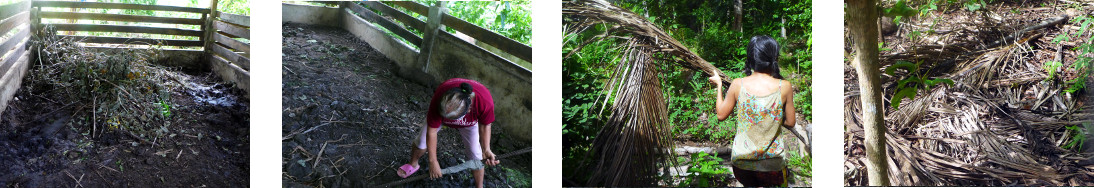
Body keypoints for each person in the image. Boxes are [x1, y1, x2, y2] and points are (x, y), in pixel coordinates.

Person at [708, 35, 797, 187]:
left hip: (742, 165)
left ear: (751, 58)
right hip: (772, 165)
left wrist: (719, 85)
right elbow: (790, 122)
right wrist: (770, 116)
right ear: (774, 57)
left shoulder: (738, 84)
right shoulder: (784, 86)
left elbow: (721, 115)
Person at [397, 78, 500, 188]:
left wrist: (486, 149)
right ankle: (413, 164)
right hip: (441, 116)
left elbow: (485, 125)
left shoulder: (484, 101)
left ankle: (479, 186)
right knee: (421, 141)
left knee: (476, 154)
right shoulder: (441, 95)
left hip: (469, 123)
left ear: (469, 109)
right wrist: (433, 161)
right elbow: (431, 131)